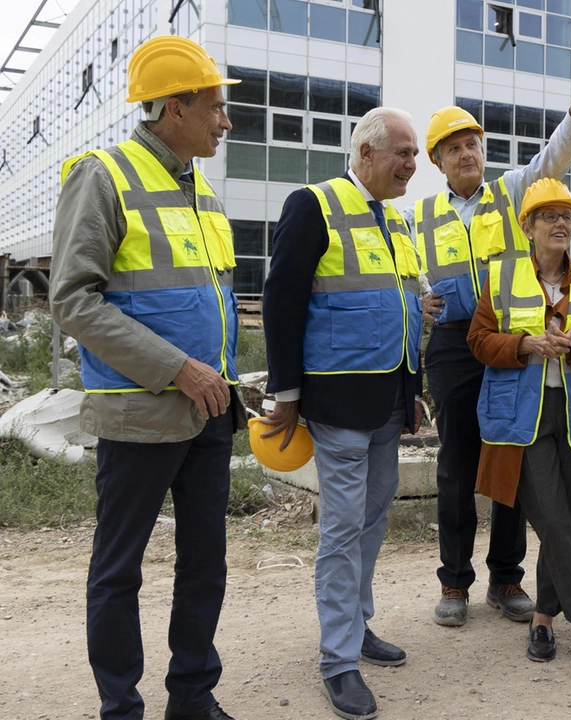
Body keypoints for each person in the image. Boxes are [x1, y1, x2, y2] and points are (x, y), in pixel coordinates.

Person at [49, 35, 243, 720]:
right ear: (173, 107)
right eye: (216, 107)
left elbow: (207, 304)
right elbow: (73, 299)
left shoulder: (203, 191)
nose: (225, 121)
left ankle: (192, 695)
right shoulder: (103, 175)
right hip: (140, 413)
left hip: (210, 412)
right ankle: (120, 709)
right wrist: (176, 370)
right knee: (119, 570)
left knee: (204, 566)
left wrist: (232, 384)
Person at [411, 83, 571, 627]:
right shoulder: (421, 216)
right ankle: (454, 582)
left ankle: (507, 578)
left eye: (473, 142)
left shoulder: (511, 192)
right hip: (457, 345)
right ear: (437, 161)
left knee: (513, 454)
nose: (467, 153)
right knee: (457, 465)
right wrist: (417, 300)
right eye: (454, 148)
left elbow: (556, 157)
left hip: (520, 342)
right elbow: (404, 275)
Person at [260, 107, 425, 720]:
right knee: (342, 526)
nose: (413, 164)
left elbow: (394, 296)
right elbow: (283, 299)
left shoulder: (396, 220)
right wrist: (286, 391)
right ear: (365, 154)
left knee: (374, 517)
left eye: (413, 154)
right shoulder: (315, 204)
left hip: (388, 396)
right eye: (403, 153)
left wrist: (420, 311)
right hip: (337, 399)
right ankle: (338, 660)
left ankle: (357, 627)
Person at [467, 178, 571, 666]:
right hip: (523, 417)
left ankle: (543, 619)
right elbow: (479, 340)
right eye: (549, 216)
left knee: (567, 522)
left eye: (567, 216)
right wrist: (525, 344)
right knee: (553, 518)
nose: (560, 224)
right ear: (527, 226)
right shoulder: (503, 276)